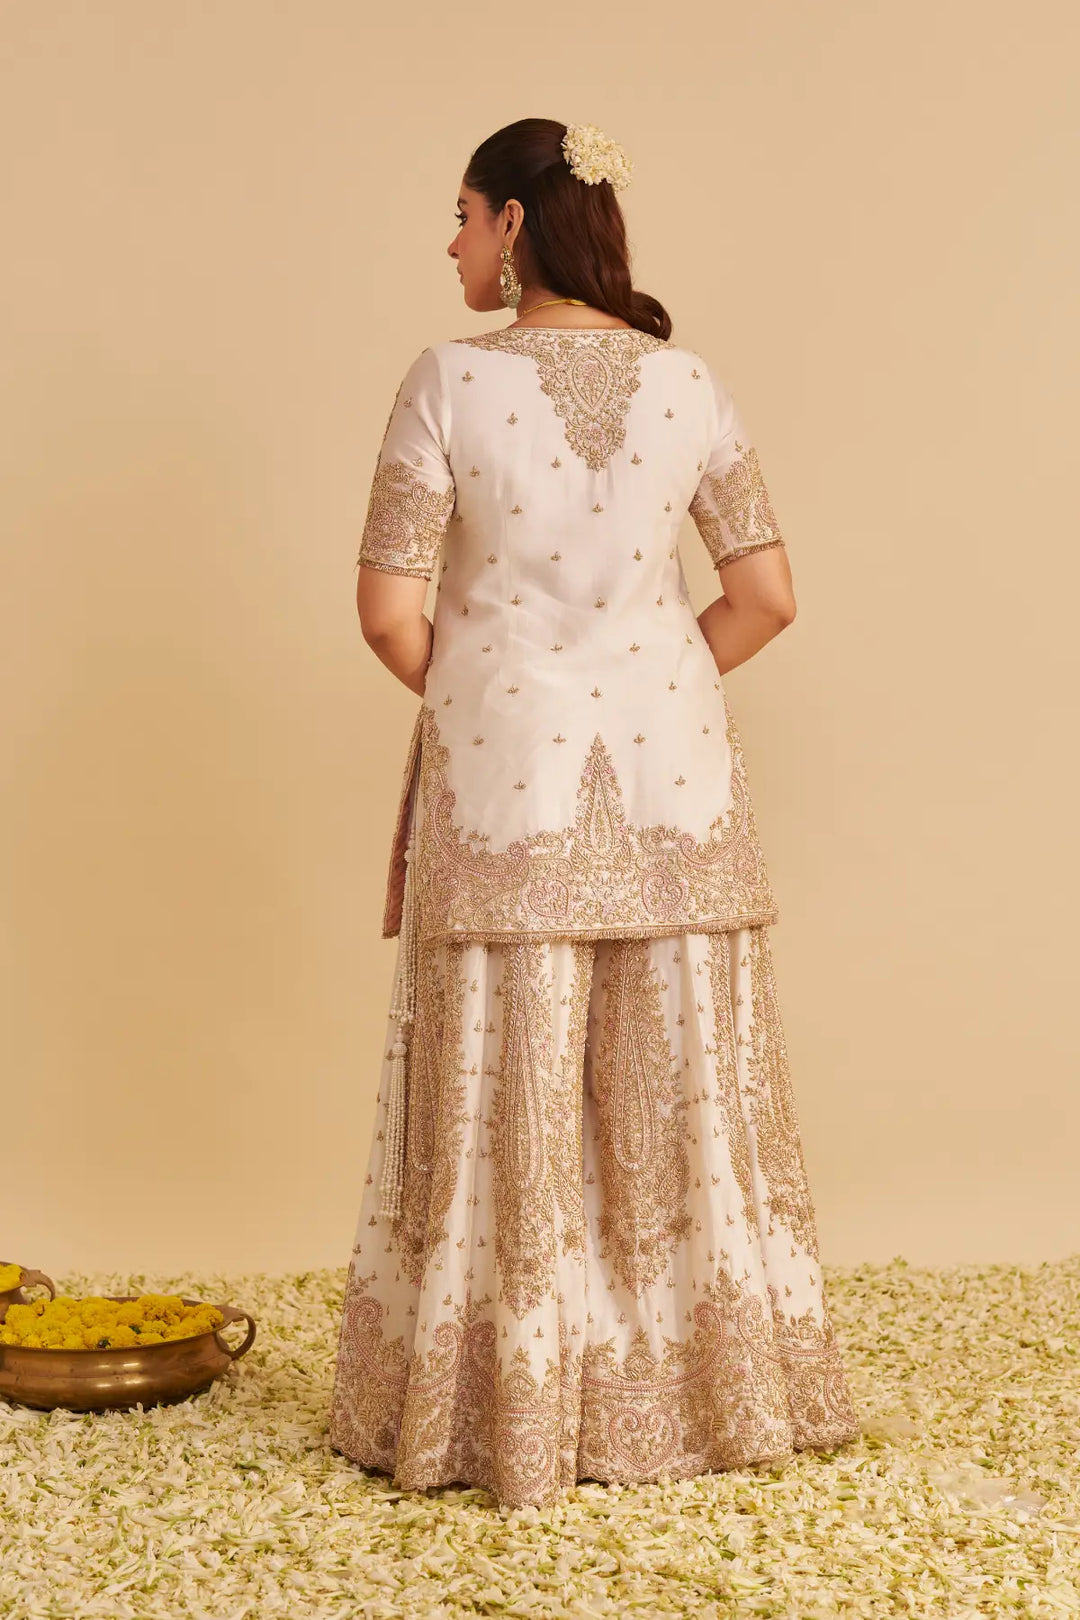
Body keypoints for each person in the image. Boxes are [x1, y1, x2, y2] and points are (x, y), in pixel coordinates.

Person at [328, 118, 861, 1510]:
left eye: (461, 214)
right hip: (678, 779)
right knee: (678, 1086)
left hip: (505, 789)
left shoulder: (446, 379)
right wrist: (649, 674)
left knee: (504, 1080)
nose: (449, 242)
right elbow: (768, 597)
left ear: (514, 224)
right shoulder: (689, 383)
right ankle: (711, 1404)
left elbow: (386, 612)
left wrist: (495, 690)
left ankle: (500, 1416)